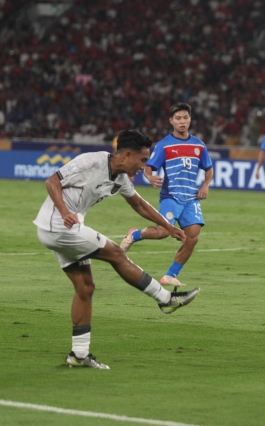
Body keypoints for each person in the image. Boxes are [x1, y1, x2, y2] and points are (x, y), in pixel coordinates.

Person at [34, 129, 201, 369]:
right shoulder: (90, 161)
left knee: (86, 287)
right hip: (58, 225)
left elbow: (139, 204)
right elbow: (52, 181)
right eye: (143, 160)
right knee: (116, 252)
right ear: (127, 155)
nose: (144, 166)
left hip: (63, 229)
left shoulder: (121, 178)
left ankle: (79, 355)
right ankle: (165, 299)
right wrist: (64, 212)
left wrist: (167, 226)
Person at [119, 102, 213, 286]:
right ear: (171, 121)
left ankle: (170, 276)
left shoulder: (199, 146)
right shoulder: (164, 145)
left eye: (185, 117)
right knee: (162, 232)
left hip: (191, 198)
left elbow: (209, 169)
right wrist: (151, 178)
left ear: (190, 119)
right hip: (171, 197)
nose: (182, 121)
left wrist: (205, 186)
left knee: (193, 236)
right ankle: (134, 235)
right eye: (178, 118)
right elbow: (148, 168)